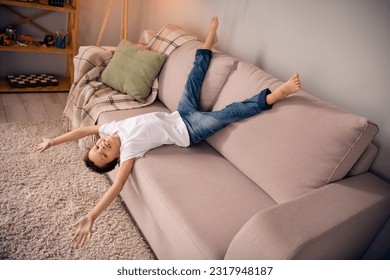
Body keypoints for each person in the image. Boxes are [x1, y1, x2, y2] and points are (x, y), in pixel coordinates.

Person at [35, 16, 301, 248]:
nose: (101, 148)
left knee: (193, 78)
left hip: (179, 114)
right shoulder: (130, 151)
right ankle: (272, 96)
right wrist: (92, 215)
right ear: (115, 159)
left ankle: (209, 41)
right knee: (228, 113)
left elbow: (81, 131)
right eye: (104, 156)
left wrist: (53, 141)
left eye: (97, 148)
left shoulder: (110, 127)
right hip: (190, 131)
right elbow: (117, 187)